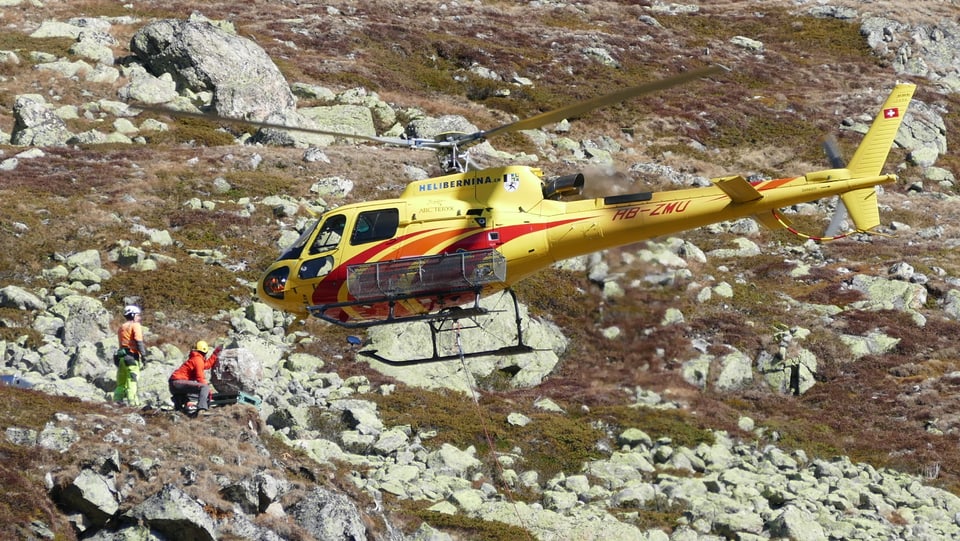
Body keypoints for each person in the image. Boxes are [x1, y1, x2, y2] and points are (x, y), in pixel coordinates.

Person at [168, 340, 222, 414]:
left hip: (174, 384)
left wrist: (215, 354)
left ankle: (179, 406)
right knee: (204, 387)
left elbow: (207, 365)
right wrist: (207, 391)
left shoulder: (196, 359)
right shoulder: (198, 360)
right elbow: (200, 377)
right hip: (178, 382)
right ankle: (202, 408)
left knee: (186, 398)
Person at [114, 305, 147, 406]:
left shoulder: (121, 327)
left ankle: (116, 403)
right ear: (132, 315)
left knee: (121, 384)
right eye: (138, 315)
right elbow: (138, 341)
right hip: (131, 358)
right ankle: (133, 405)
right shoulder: (135, 325)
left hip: (121, 358)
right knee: (132, 381)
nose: (139, 318)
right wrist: (144, 356)